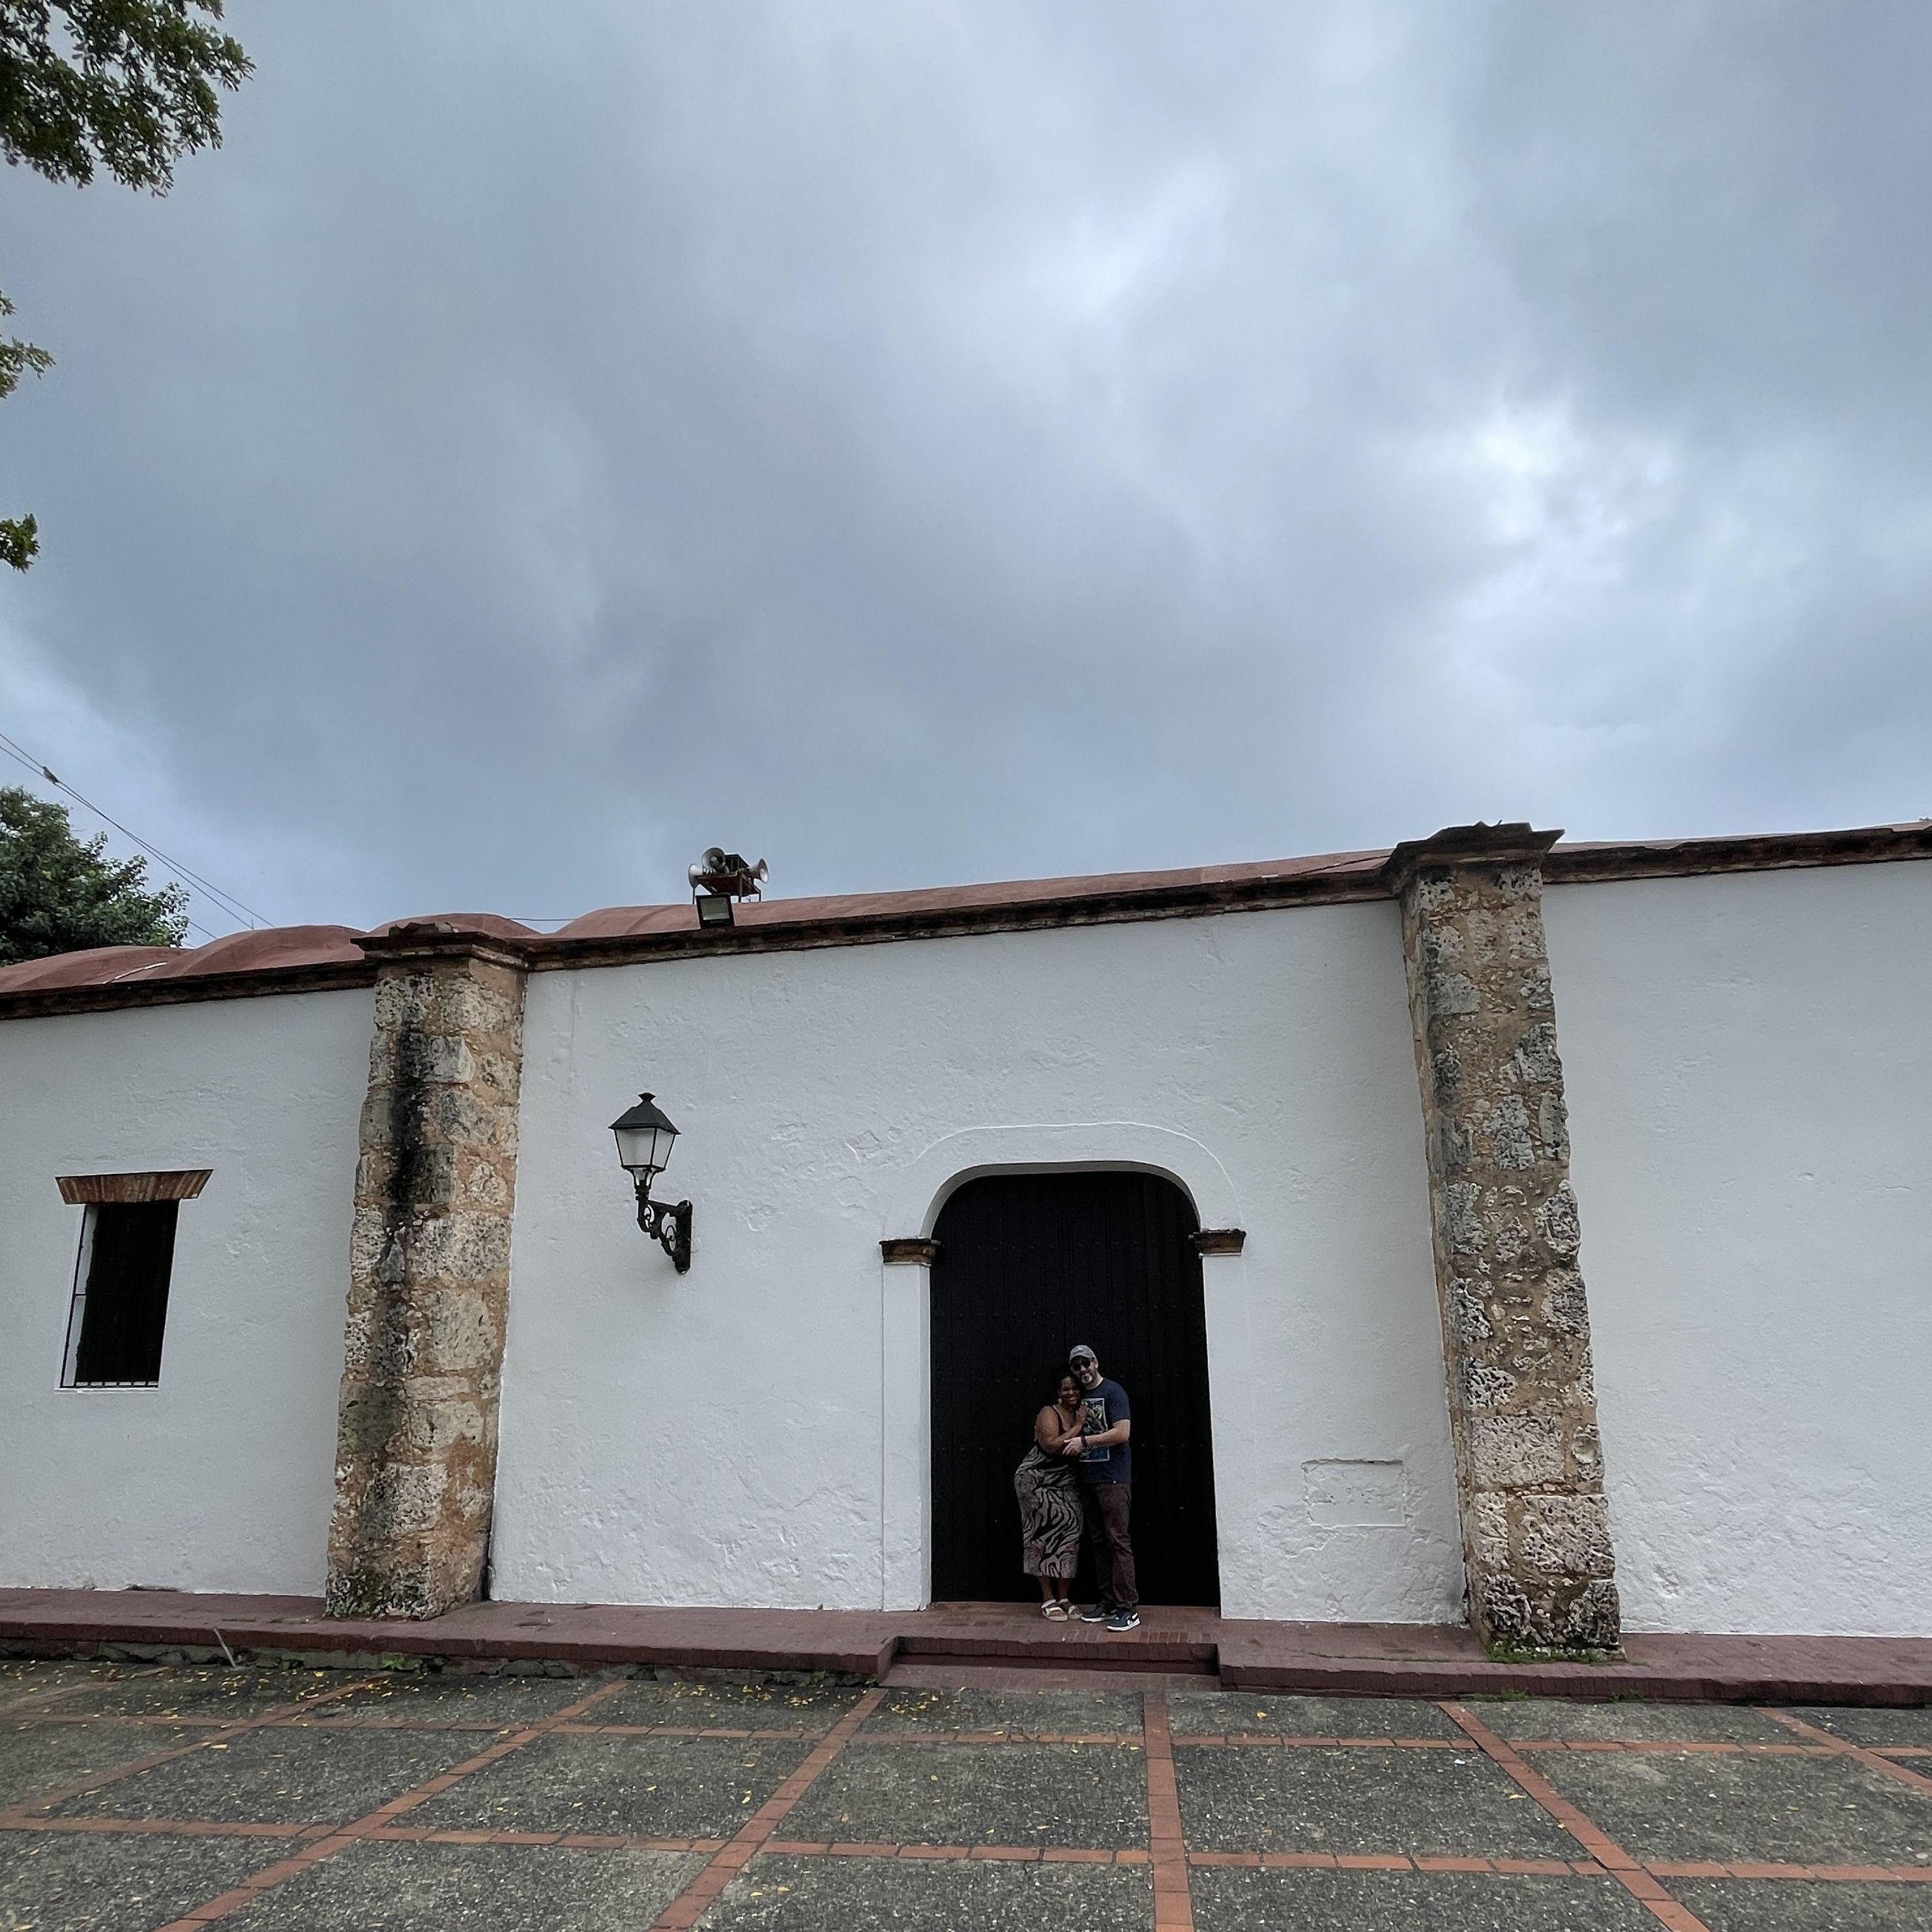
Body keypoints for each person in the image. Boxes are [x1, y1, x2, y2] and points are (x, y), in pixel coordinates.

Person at [1068, 1343, 1139, 1631]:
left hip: (1113, 1480)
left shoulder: (1113, 1392)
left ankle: (1128, 1608)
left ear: (1095, 1363)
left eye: (1086, 1364)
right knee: (1099, 1543)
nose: (1082, 1370)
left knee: (1118, 1541)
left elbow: (1123, 1433)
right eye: (1077, 1366)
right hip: (1090, 1481)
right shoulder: (1080, 1398)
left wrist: (1085, 1442)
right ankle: (1108, 1603)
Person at [1013, 1368, 1085, 1617]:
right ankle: (1047, 1598)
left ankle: (1064, 1596)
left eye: (1075, 1388)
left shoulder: (1084, 1412)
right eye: (1066, 1388)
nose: (1071, 1392)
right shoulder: (1049, 1412)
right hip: (1036, 1480)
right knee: (1042, 1534)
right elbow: (1052, 1445)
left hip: (1066, 1481)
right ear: (1059, 1392)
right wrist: (1078, 1427)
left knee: (1070, 1532)